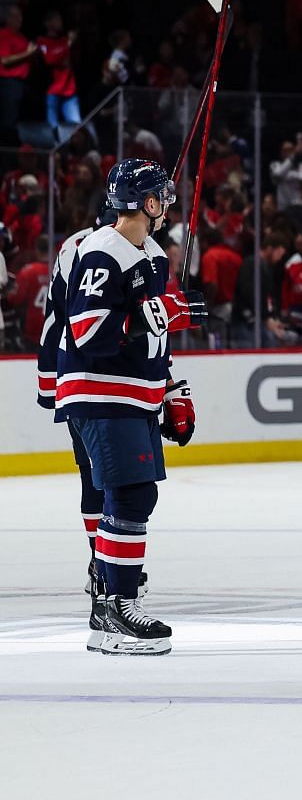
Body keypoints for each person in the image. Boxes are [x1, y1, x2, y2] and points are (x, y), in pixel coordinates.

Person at [57, 162, 203, 654]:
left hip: (133, 392)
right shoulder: (102, 250)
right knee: (132, 495)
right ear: (147, 202)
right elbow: (88, 331)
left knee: (136, 497)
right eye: (162, 196)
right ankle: (118, 605)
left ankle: (111, 606)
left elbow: (152, 334)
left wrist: (169, 388)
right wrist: (161, 312)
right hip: (100, 391)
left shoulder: (154, 254)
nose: (168, 203)